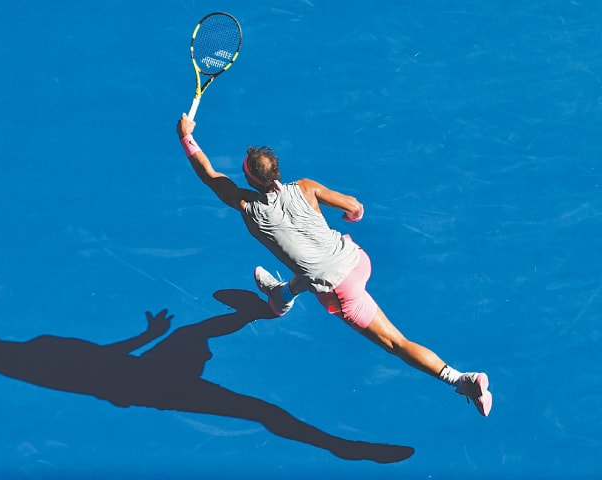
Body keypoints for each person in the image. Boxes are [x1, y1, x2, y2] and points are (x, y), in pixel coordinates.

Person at [176, 114, 492, 417]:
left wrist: (186, 136)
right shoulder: (306, 187)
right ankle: (282, 294)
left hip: (340, 288)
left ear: (249, 179)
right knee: (309, 266)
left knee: (395, 342)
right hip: (356, 258)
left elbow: (210, 176)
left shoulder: (245, 205)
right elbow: (355, 207)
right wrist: (349, 216)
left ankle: (462, 379)